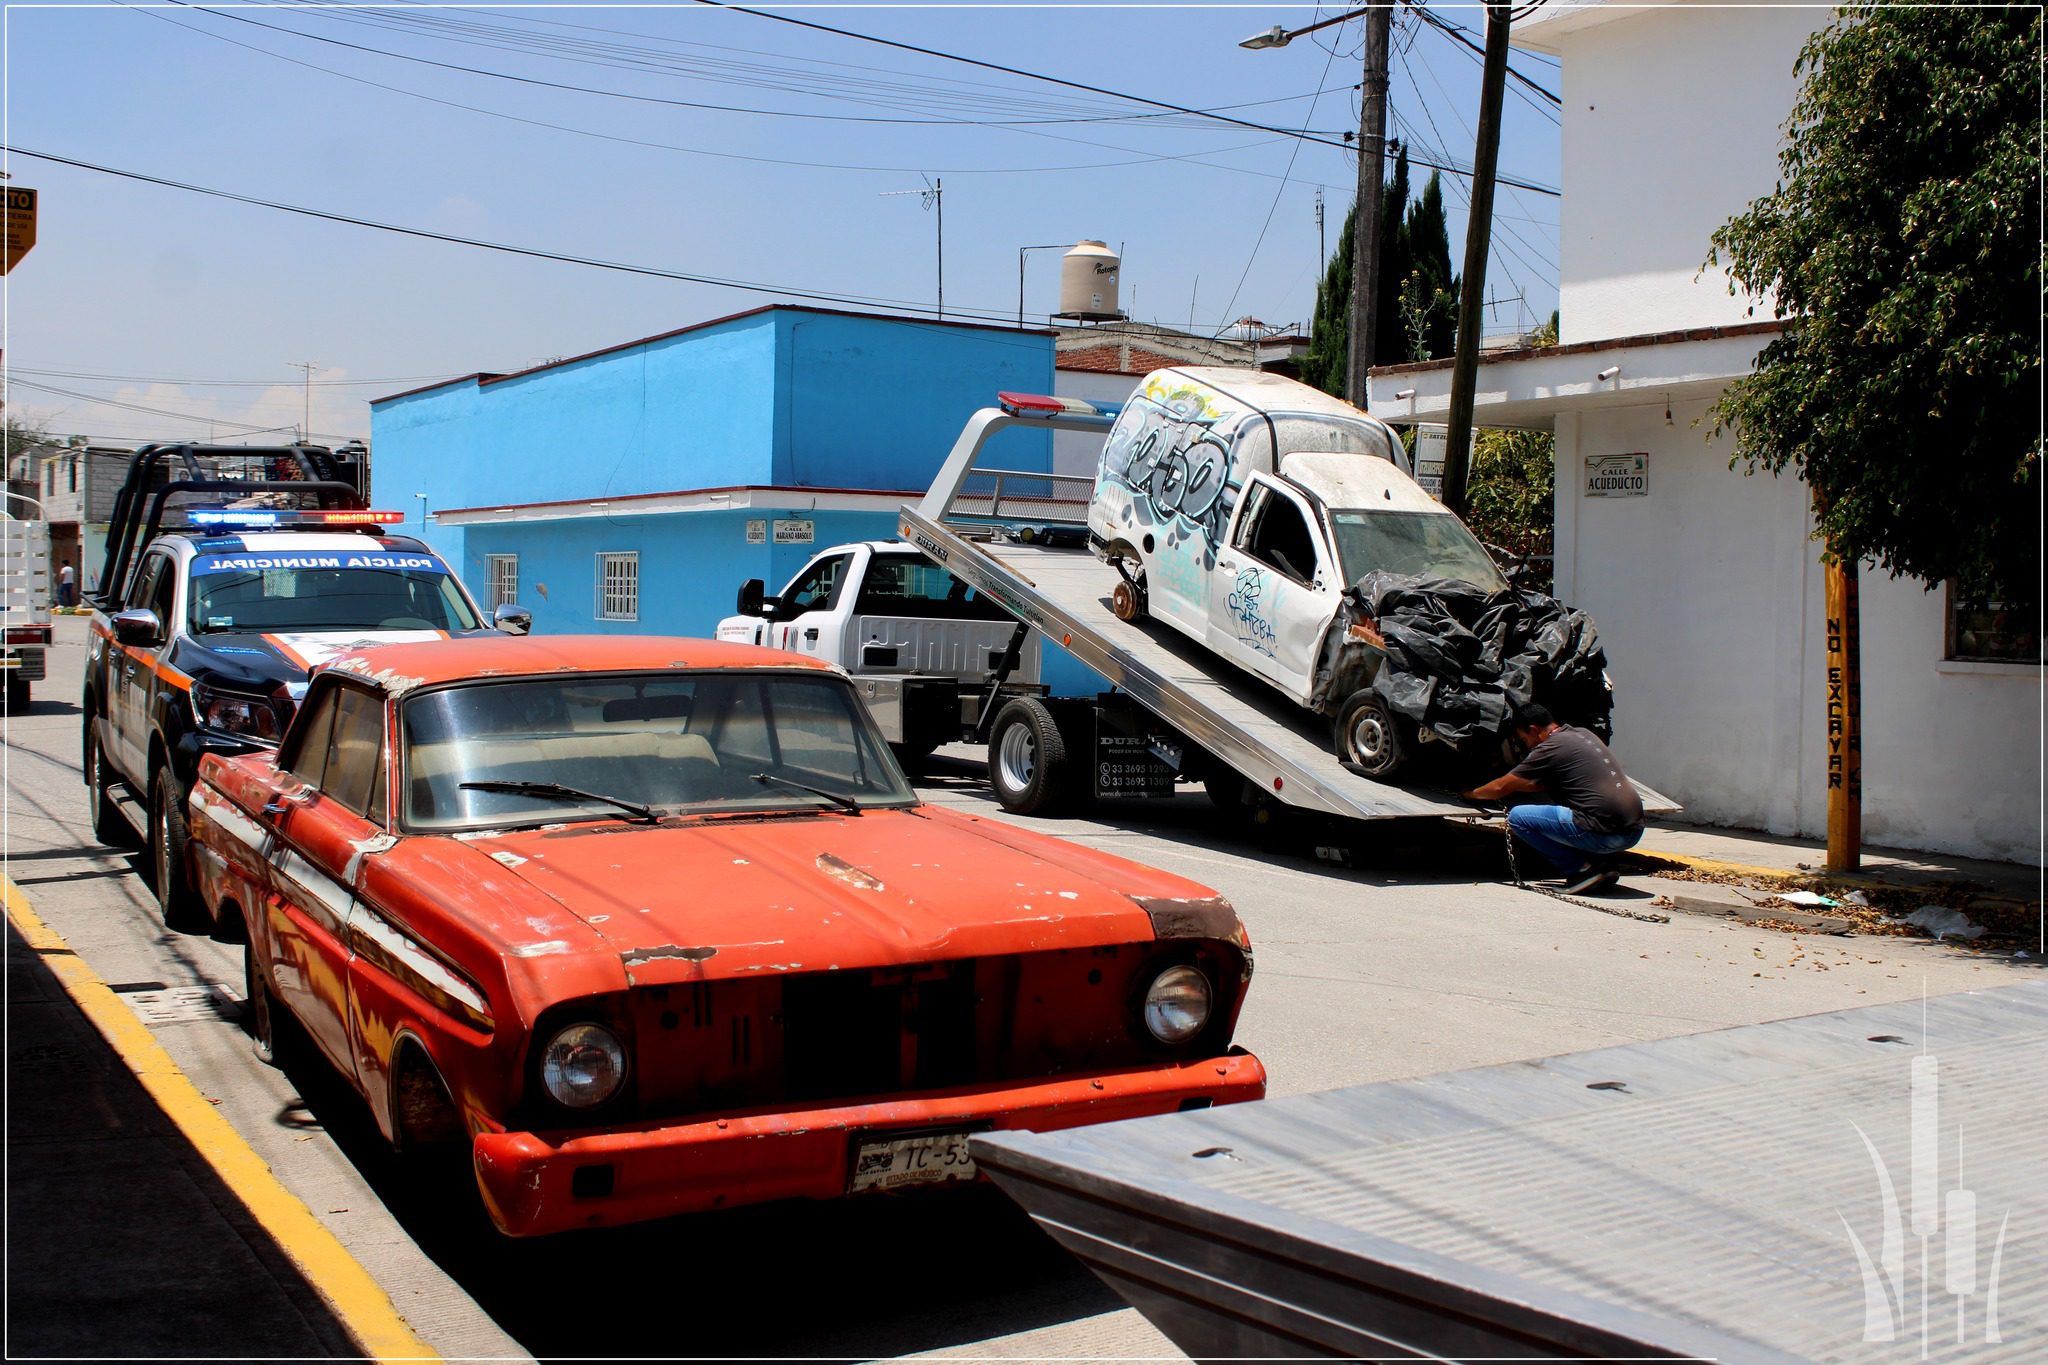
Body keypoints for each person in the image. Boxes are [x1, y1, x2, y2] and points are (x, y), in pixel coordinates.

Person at [1463, 703, 1644, 895]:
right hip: (1633, 832)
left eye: (1525, 739)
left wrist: (1471, 793)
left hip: (1604, 834)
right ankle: (1601, 864)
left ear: (1534, 730)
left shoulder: (1550, 747)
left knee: (1518, 817)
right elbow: (1538, 786)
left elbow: (1501, 787)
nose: (1527, 745)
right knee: (1569, 804)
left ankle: (1579, 870)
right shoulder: (1583, 734)